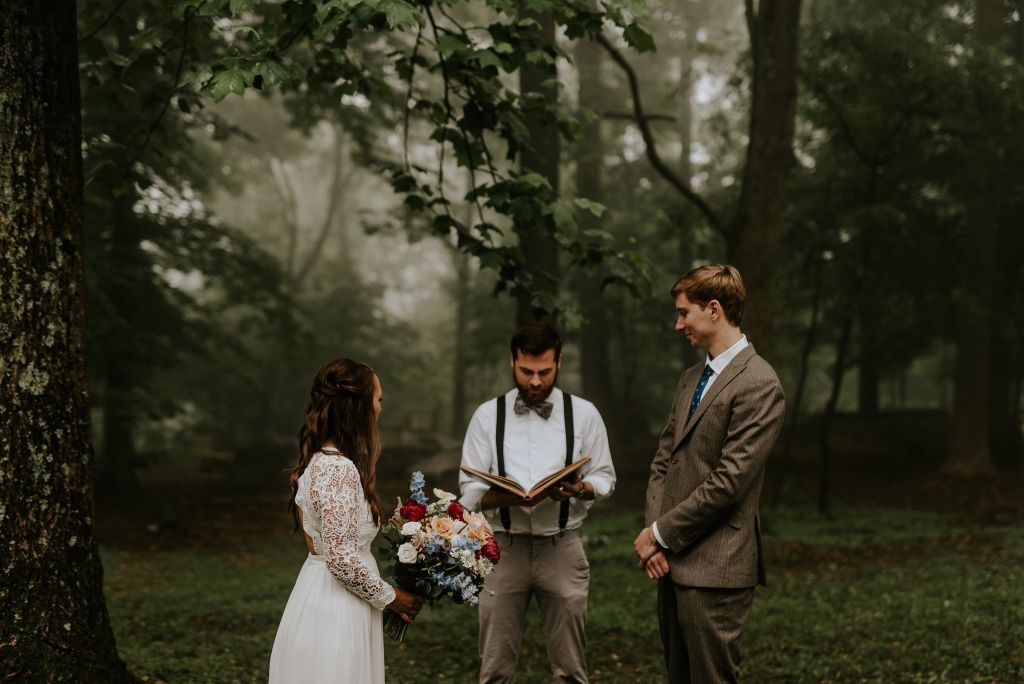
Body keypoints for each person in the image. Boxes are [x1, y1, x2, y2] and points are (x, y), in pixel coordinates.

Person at [634, 264, 785, 684]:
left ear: (714, 309)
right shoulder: (689, 379)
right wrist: (655, 537)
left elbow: (729, 482)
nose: (678, 323)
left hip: (717, 569)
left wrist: (659, 533)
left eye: (685, 313)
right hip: (669, 562)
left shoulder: (759, 382)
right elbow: (664, 461)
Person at [459, 323, 616, 684]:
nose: (534, 381)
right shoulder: (487, 415)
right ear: (512, 362)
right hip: (501, 549)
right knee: (495, 670)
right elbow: (468, 488)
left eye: (544, 372)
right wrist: (505, 496)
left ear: (558, 362)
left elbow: (606, 477)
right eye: (526, 371)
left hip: (563, 547)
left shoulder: (585, 414)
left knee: (572, 671)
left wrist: (580, 488)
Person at [269, 358, 424, 683]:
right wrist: (393, 598)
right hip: (335, 610)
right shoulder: (339, 470)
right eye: (378, 399)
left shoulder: (320, 462)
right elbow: (340, 560)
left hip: (324, 595)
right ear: (359, 407)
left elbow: (318, 544)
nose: (380, 408)